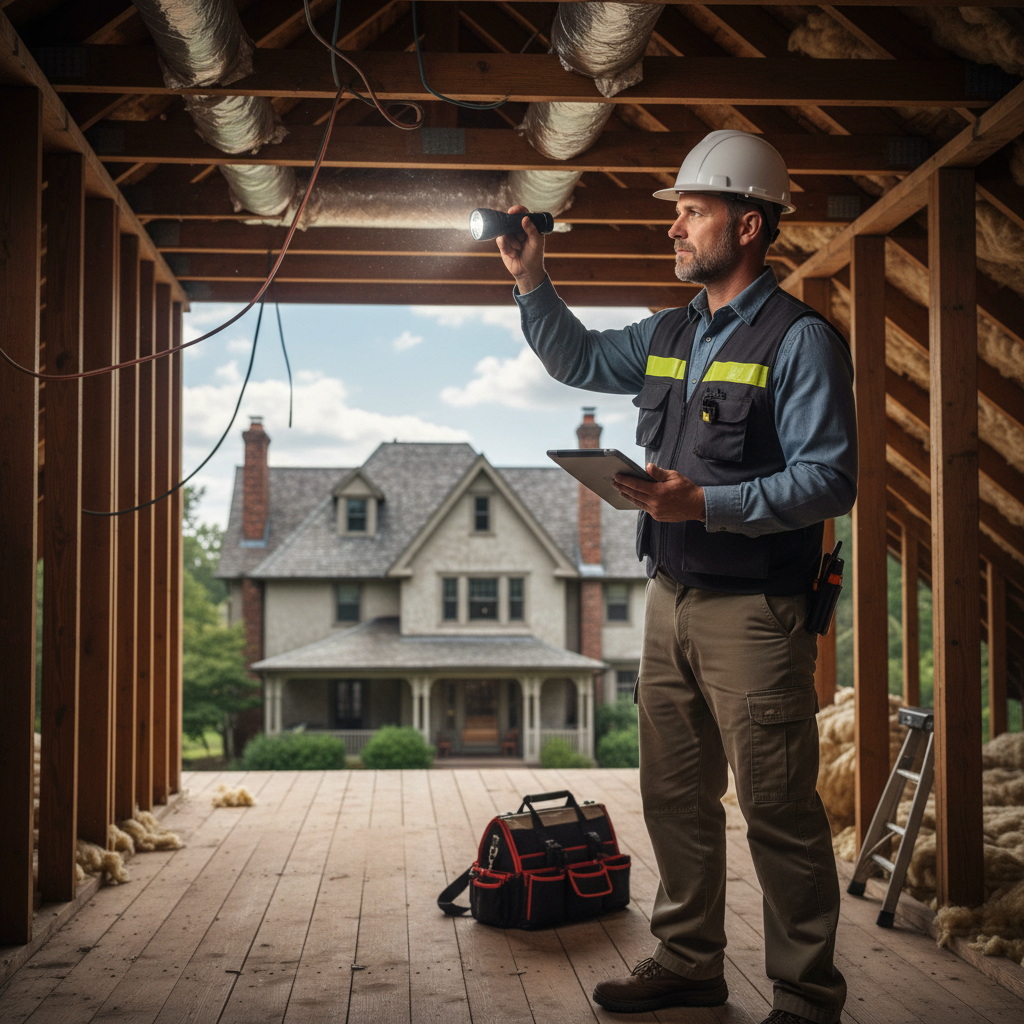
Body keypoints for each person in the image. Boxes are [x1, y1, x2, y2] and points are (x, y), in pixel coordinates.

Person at [495, 130, 856, 1024]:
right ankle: (690, 959)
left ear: (750, 224)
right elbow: (576, 359)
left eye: (692, 213)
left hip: (759, 613)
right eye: (679, 214)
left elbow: (829, 477)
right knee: (673, 795)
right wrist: (530, 278)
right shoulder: (668, 333)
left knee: (775, 809)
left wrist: (707, 505)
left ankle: (808, 998)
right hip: (670, 599)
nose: (676, 229)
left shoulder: (801, 339)